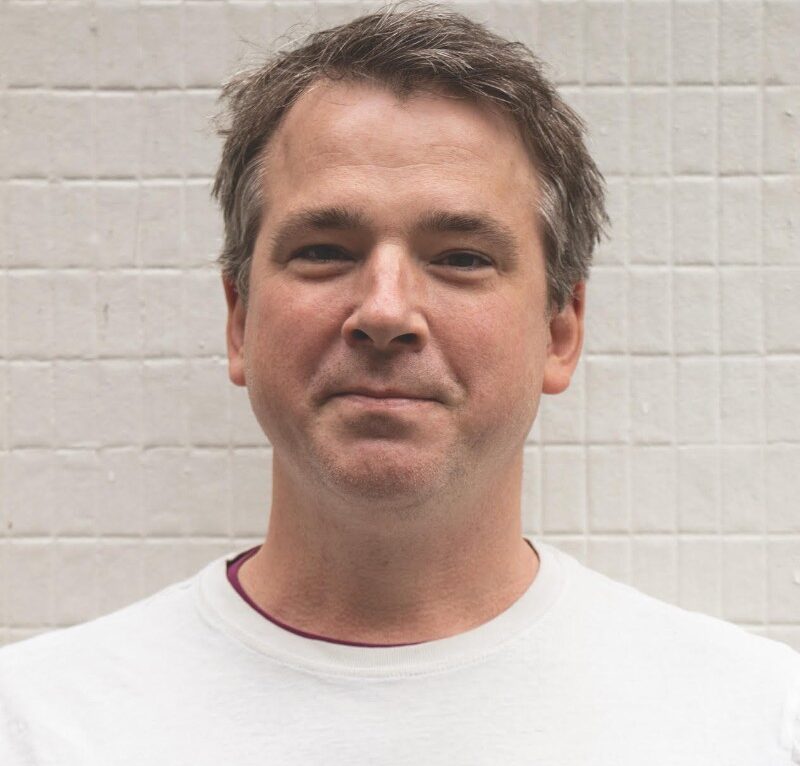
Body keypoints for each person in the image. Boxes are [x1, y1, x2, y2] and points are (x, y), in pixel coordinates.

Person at [1, 4, 798, 764]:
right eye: (324, 250)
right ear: (239, 318)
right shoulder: (36, 727)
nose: (385, 311)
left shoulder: (755, 725)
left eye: (461, 258)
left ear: (560, 331)